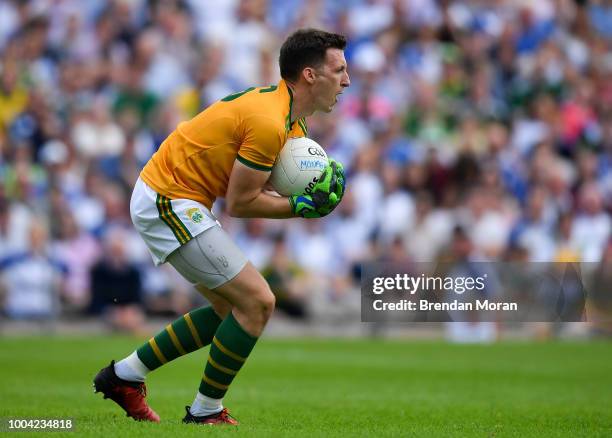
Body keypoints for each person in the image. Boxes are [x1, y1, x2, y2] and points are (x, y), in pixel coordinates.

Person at [93, 28, 349, 426]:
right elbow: (241, 202)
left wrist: (313, 187)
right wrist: (301, 207)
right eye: (339, 70)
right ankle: (204, 411)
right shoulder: (270, 121)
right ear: (310, 76)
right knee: (259, 302)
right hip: (168, 196)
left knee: (230, 307)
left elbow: (256, 185)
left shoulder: (292, 123)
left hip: (178, 195)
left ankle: (124, 375)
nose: (347, 80)